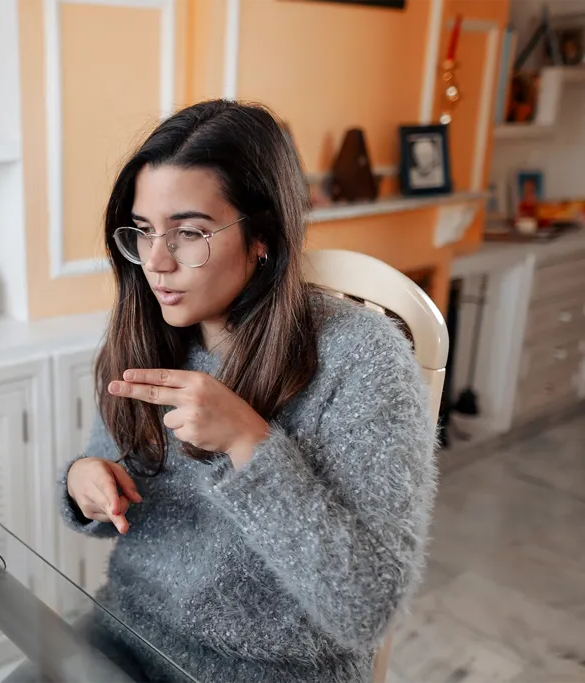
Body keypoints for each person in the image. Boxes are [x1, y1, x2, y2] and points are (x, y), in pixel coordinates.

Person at [59, 100, 436, 682]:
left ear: (262, 236)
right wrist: (84, 481)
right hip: (124, 639)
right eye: (143, 231)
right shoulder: (146, 329)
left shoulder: (361, 359)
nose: (155, 263)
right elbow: (102, 473)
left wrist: (248, 441)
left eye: (188, 233)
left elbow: (366, 607)